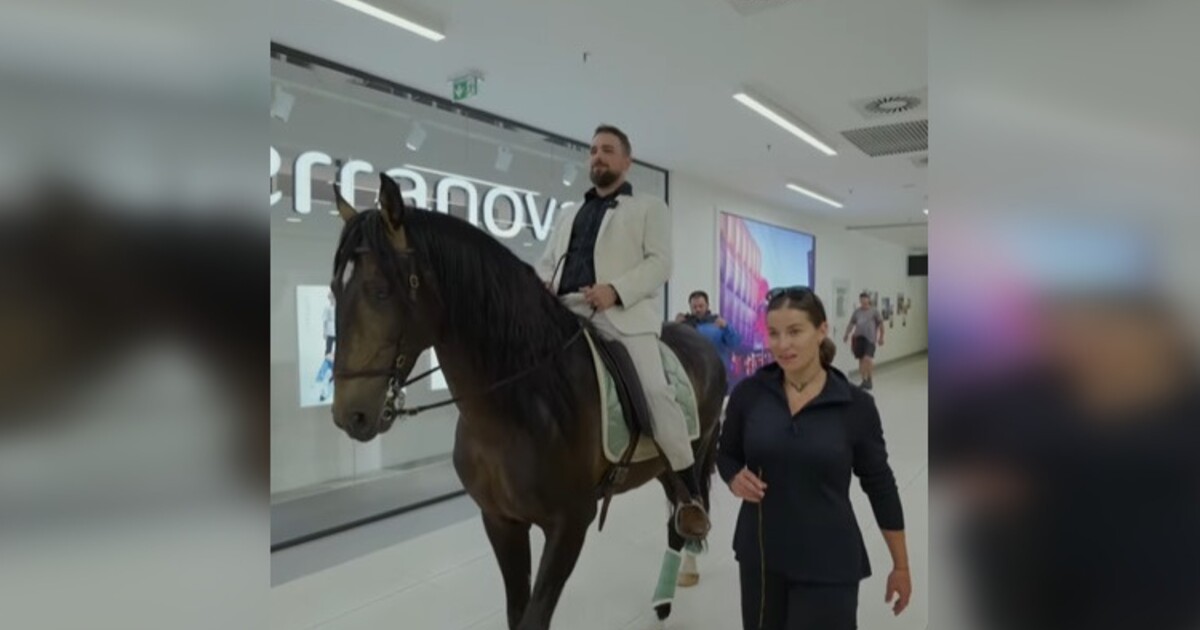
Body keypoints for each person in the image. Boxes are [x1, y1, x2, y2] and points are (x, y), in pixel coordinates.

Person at [537, 124, 709, 539]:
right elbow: (547, 262)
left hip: (620, 316)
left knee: (654, 392)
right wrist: (541, 283)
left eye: (608, 150)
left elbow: (660, 264)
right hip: (562, 313)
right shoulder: (566, 214)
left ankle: (688, 493)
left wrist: (615, 290)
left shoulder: (649, 208)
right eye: (593, 150)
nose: (598, 156)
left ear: (626, 162)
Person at [718, 287, 911, 630]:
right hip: (761, 557)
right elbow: (726, 454)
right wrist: (733, 478)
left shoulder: (854, 406)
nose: (782, 344)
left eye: (795, 331)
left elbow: (880, 484)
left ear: (822, 330)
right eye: (774, 333)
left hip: (829, 561)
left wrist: (901, 565)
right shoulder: (749, 395)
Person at [675, 290, 741, 374]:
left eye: (701, 306)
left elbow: (735, 344)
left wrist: (726, 327)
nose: (698, 309)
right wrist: (676, 327)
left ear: (707, 305)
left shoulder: (718, 323)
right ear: (690, 307)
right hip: (694, 375)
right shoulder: (684, 325)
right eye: (694, 307)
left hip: (716, 375)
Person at [843, 291, 884, 390]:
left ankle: (869, 379)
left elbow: (881, 325)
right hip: (859, 338)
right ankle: (864, 380)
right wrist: (846, 334)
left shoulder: (874, 311)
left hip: (870, 339)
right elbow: (851, 324)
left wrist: (881, 337)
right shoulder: (857, 312)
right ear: (860, 301)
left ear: (868, 300)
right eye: (862, 302)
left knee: (867, 359)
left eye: (865, 302)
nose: (863, 304)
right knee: (861, 360)